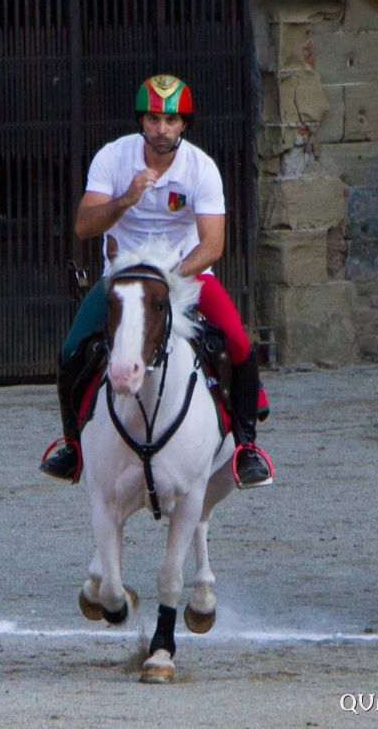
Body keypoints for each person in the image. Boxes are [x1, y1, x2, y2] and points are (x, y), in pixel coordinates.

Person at [39, 74, 273, 489]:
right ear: (141, 122)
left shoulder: (201, 167)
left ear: (184, 124)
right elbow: (83, 226)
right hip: (123, 278)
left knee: (237, 342)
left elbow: (213, 244)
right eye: (153, 119)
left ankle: (246, 446)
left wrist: (169, 277)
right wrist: (126, 199)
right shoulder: (113, 157)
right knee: (71, 348)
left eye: (171, 120)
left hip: (185, 275)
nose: (161, 129)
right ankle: (72, 446)